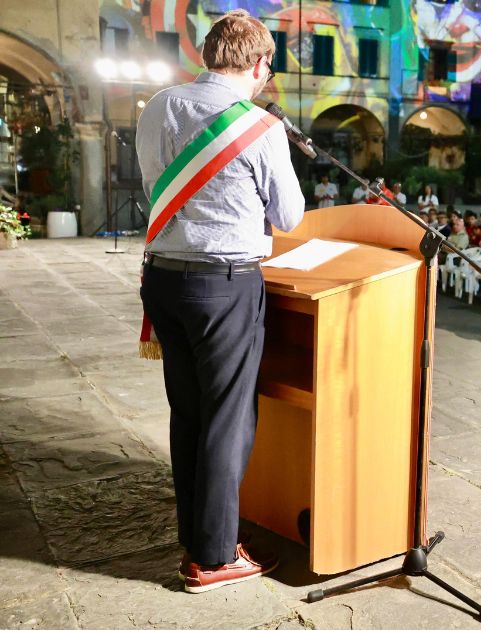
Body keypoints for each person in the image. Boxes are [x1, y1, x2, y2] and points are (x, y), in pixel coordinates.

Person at [136, 9, 302, 592]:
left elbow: (154, 183)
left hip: (164, 278)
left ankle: (197, 534)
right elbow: (289, 216)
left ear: (208, 56)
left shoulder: (159, 106)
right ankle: (212, 558)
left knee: (188, 412)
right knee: (227, 420)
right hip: (224, 285)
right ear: (260, 65)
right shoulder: (261, 127)